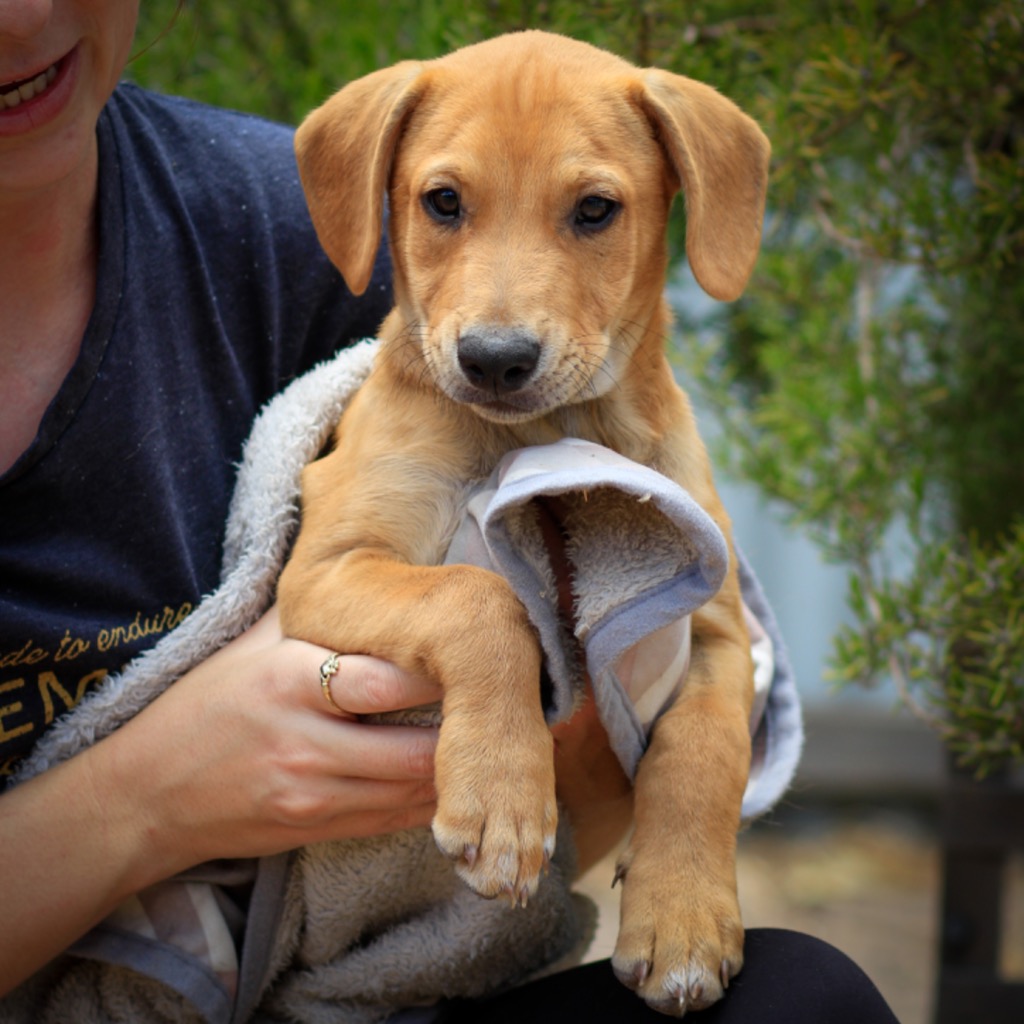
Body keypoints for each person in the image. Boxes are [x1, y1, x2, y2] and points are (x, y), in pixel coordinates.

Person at [0, 3, 899, 1021]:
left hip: (445, 947)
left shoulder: (242, 209)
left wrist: (684, 829)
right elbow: (323, 581)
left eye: (591, 212)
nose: (499, 324)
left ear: (684, 193)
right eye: (445, 205)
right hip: (213, 945)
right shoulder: (398, 404)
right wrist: (482, 638)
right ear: (379, 193)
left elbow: (716, 645)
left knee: (810, 994)